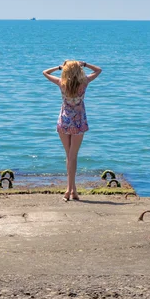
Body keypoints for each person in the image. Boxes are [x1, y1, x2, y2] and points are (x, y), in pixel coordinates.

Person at [43, 60, 102, 201]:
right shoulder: (84, 83)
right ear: (78, 70)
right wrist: (85, 64)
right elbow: (99, 70)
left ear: (66, 71)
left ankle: (70, 190)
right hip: (79, 122)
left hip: (64, 121)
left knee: (68, 156)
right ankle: (71, 190)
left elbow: (45, 72)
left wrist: (59, 67)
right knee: (72, 156)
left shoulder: (61, 83)